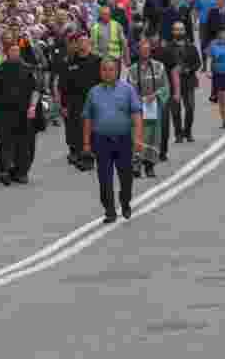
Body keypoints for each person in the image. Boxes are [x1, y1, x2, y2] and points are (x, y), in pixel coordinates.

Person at [82, 59, 143, 223]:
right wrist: (86, 143)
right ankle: (109, 210)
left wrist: (138, 137)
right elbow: (87, 118)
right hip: (101, 141)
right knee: (104, 177)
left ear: (117, 71)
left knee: (126, 176)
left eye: (111, 70)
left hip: (123, 139)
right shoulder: (93, 92)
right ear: (100, 72)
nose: (107, 73)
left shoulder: (127, 90)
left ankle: (125, 202)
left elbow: (136, 114)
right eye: (104, 70)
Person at [0, 43, 38, 185]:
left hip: (23, 112)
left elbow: (35, 90)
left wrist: (33, 106)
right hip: (3, 112)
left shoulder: (27, 69)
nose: (15, 53)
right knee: (6, 142)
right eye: (12, 50)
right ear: (6, 52)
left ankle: (21, 172)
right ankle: (4, 171)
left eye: (17, 50)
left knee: (23, 143)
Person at [126, 39, 168, 179]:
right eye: (142, 49)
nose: (145, 52)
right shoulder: (132, 70)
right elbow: (129, 90)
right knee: (137, 136)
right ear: (138, 51)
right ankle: (136, 166)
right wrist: (139, 100)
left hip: (154, 107)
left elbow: (165, 87)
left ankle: (150, 166)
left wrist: (154, 96)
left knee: (153, 136)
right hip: (138, 108)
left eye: (147, 49)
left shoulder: (159, 67)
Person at [57, 34, 99, 170]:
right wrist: (63, 105)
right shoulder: (69, 62)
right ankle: (79, 155)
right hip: (74, 101)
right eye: (79, 42)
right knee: (76, 130)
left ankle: (90, 156)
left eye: (85, 42)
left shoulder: (97, 61)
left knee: (93, 130)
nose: (82, 45)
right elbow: (62, 86)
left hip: (93, 101)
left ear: (89, 44)